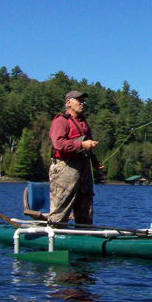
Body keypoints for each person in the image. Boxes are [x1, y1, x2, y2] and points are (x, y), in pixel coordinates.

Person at [48, 90, 104, 226]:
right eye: (78, 100)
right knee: (61, 205)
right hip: (64, 168)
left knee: (85, 207)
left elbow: (88, 145)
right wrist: (82, 144)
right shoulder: (60, 121)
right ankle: (54, 234)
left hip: (84, 169)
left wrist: (95, 163)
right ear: (68, 103)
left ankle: (84, 237)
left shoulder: (84, 124)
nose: (82, 103)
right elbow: (59, 144)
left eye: (83, 101)